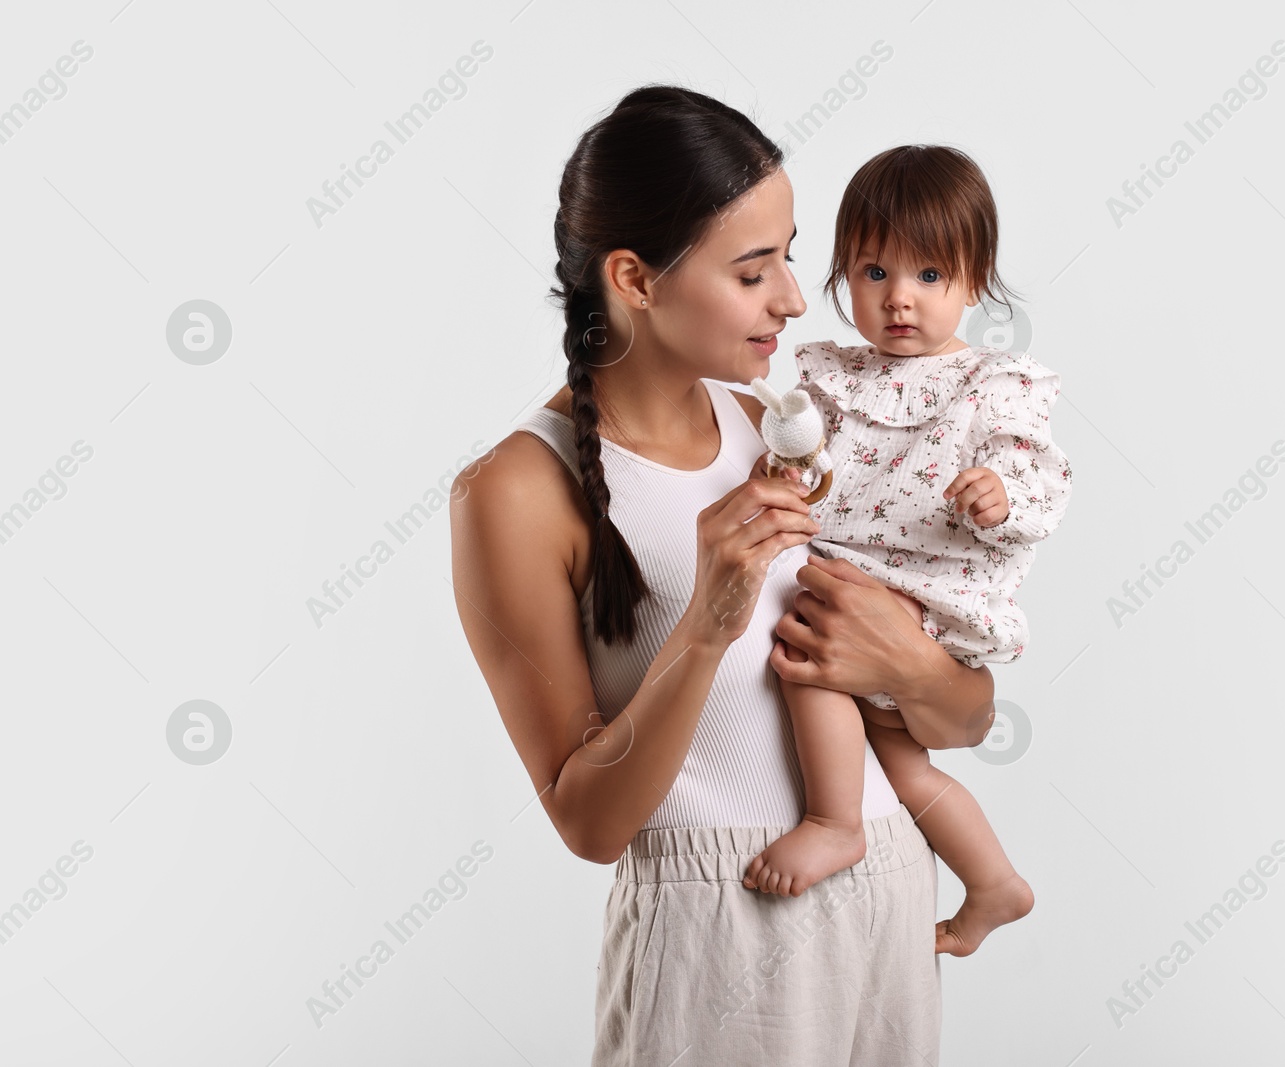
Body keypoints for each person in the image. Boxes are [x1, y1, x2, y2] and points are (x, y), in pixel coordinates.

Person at [448, 85, 996, 1066]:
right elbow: (589, 822)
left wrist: (909, 666)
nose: (793, 297)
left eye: (787, 256)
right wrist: (706, 617)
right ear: (634, 277)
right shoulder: (515, 491)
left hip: (890, 882)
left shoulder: (774, 430)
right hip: (725, 917)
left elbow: (964, 719)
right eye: (753, 271)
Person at [739, 145, 1073, 959]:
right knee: (905, 765)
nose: (898, 300)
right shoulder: (833, 376)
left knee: (803, 660)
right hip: (858, 575)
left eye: (929, 276)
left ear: (973, 277)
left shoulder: (991, 384)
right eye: (872, 271)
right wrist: (785, 463)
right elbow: (803, 453)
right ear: (842, 275)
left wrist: (999, 495)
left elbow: (1042, 478)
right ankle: (994, 881)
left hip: (924, 594)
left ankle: (833, 821)